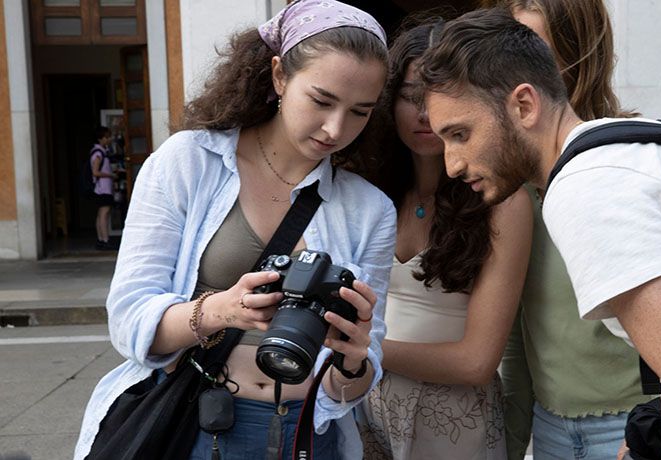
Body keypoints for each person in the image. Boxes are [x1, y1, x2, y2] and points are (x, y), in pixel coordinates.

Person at [418, 8, 661, 460]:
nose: (452, 164)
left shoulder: (588, 187)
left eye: (461, 133)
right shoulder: (622, 147)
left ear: (524, 105)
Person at [74, 1, 396, 459]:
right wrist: (221, 311)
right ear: (280, 75)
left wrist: (355, 357)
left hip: (310, 435)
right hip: (200, 427)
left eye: (360, 112)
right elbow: (128, 320)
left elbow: (354, 386)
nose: (335, 128)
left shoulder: (370, 209)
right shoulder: (188, 162)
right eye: (322, 101)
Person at [476, 1, 652, 458]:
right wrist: (513, 441)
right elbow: (519, 331)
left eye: (536, 50)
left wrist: (660, 425)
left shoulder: (631, 160)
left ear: (580, 55)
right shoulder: (515, 178)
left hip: (633, 423)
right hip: (549, 427)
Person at [354, 18, 532, 459]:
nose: (425, 114)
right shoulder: (371, 190)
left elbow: (477, 362)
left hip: (453, 418)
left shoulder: (503, 200)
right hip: (365, 402)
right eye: (411, 96)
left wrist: (365, 347)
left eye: (442, 99)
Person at [90, 125, 118, 250]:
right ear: (100, 139)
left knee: (101, 213)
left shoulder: (100, 152)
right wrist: (110, 175)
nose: (109, 140)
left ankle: (101, 239)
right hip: (103, 188)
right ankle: (105, 240)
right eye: (106, 137)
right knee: (104, 213)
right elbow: (95, 172)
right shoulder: (98, 153)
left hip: (102, 188)